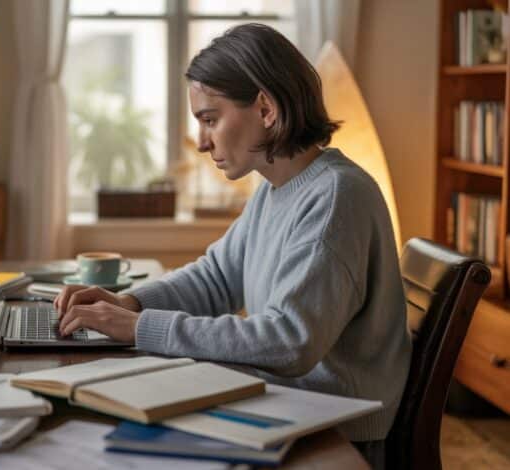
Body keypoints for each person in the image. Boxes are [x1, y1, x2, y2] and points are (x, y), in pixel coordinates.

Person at [55, 23, 411, 470]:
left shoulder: (336, 197)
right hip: (289, 406)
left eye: (210, 119)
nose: (203, 142)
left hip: (330, 431)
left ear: (265, 108)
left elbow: (289, 340)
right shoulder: (276, 188)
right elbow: (216, 278)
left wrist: (138, 328)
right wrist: (128, 303)